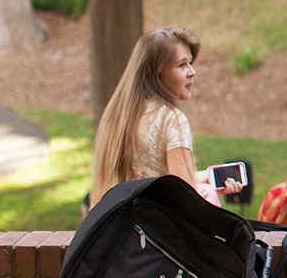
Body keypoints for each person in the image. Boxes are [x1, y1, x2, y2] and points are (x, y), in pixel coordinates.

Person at [89, 27, 243, 209]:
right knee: (206, 195)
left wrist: (206, 177)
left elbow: (152, 179)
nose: (192, 72)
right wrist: (201, 192)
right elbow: (184, 199)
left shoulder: (116, 116)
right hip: (157, 232)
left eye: (190, 63)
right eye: (181, 65)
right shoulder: (172, 120)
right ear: (156, 73)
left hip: (117, 228)